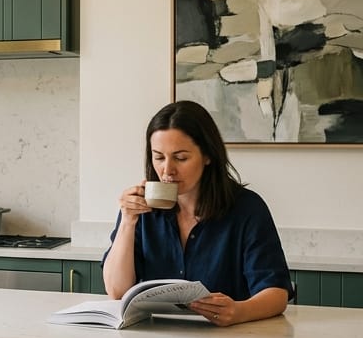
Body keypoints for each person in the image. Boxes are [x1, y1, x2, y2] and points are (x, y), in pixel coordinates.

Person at [102, 100, 292, 326]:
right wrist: (127, 221)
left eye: (181, 158)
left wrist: (240, 311)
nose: (167, 170)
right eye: (159, 157)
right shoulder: (141, 209)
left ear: (207, 156)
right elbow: (116, 291)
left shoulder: (246, 208)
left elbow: (277, 295)